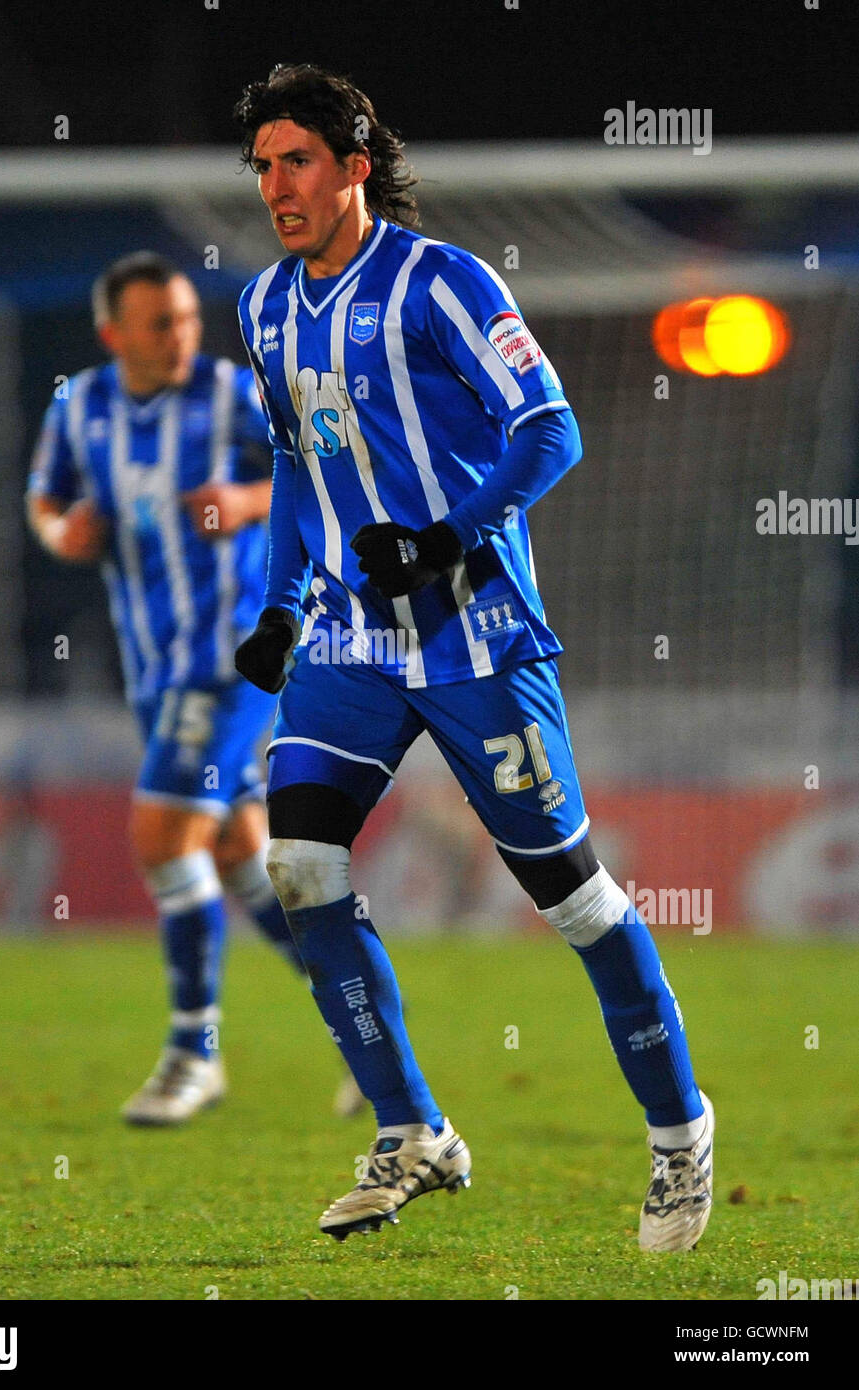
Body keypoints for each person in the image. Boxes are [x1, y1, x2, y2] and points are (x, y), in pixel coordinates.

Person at [232, 65, 714, 1249]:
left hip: (473, 630)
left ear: (353, 164)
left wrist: (452, 533)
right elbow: (299, 459)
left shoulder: (443, 281)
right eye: (260, 165)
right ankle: (413, 1130)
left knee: (574, 900)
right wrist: (285, 602)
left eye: (296, 160)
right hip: (350, 633)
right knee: (299, 861)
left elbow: (551, 425)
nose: (274, 186)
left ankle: (679, 1132)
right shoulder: (265, 306)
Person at [27, 251, 364, 1125]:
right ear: (113, 335)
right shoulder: (82, 404)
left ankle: (192, 1052)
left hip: (235, 651)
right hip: (153, 662)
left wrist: (248, 504)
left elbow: (320, 465)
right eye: (159, 323)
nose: (181, 334)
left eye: (185, 317)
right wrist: (64, 533)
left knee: (160, 832)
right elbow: (46, 499)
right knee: (240, 858)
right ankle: (367, 1032)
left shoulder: (230, 393)